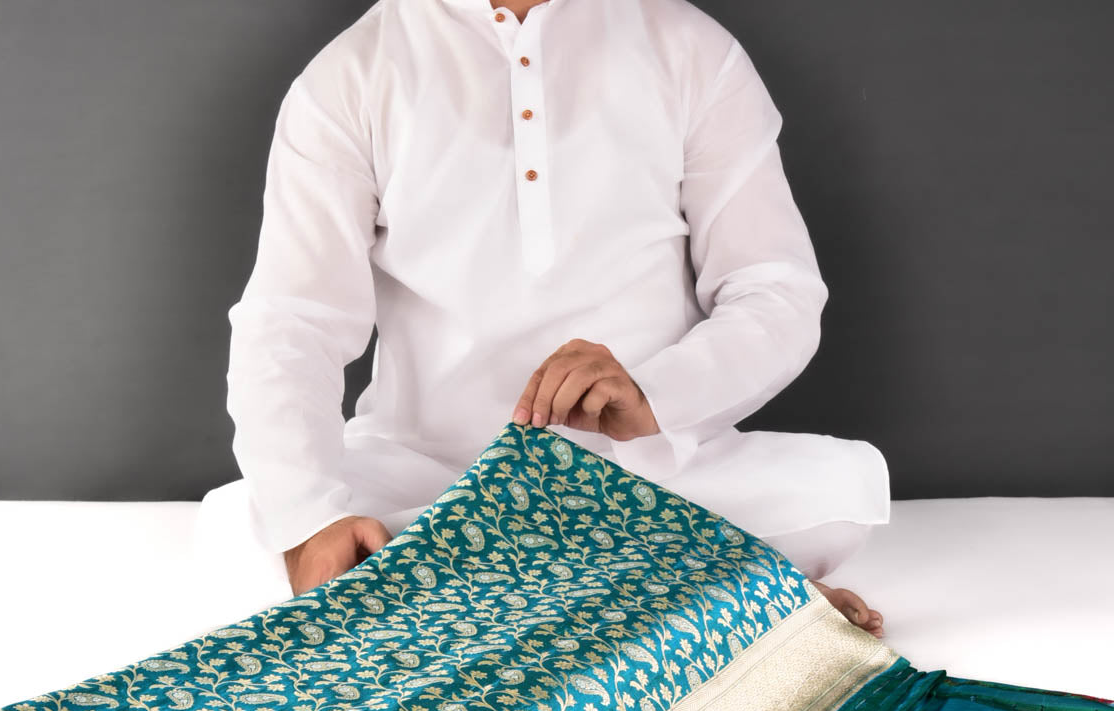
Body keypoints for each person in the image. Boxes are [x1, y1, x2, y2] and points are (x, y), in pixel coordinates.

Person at [215, 0, 887, 636]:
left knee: (836, 492)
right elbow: (292, 321)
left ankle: (454, 599)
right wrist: (310, 522)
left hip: (648, 474)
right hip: (430, 474)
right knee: (243, 524)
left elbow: (775, 289)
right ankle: (717, 589)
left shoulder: (690, 48)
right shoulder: (354, 73)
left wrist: (654, 394)